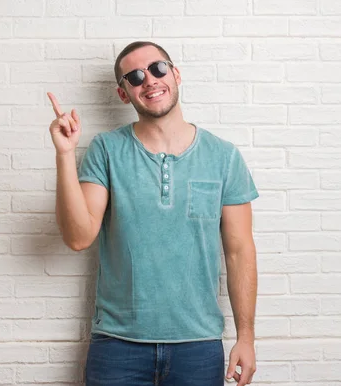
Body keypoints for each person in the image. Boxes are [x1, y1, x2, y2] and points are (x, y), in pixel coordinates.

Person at [48, 41, 258, 386]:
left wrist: (246, 338)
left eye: (158, 68)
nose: (150, 80)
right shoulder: (106, 149)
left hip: (199, 344)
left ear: (175, 74)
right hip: (118, 344)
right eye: (135, 76)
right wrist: (64, 155)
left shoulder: (224, 156)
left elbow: (240, 252)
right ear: (123, 93)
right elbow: (78, 236)